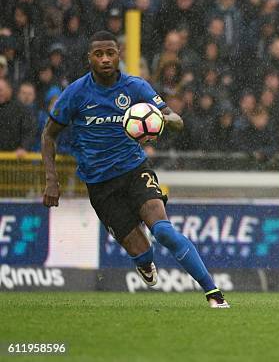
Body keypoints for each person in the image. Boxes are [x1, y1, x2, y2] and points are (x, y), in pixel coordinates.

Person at [41, 31, 229, 308]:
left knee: (163, 230)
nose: (105, 59)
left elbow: (175, 119)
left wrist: (160, 122)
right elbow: (49, 135)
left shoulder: (135, 87)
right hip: (100, 184)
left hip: (134, 170)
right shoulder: (76, 93)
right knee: (141, 250)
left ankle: (214, 293)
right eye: (98, 54)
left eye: (110, 53)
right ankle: (143, 261)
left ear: (119, 55)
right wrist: (51, 179)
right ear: (89, 58)